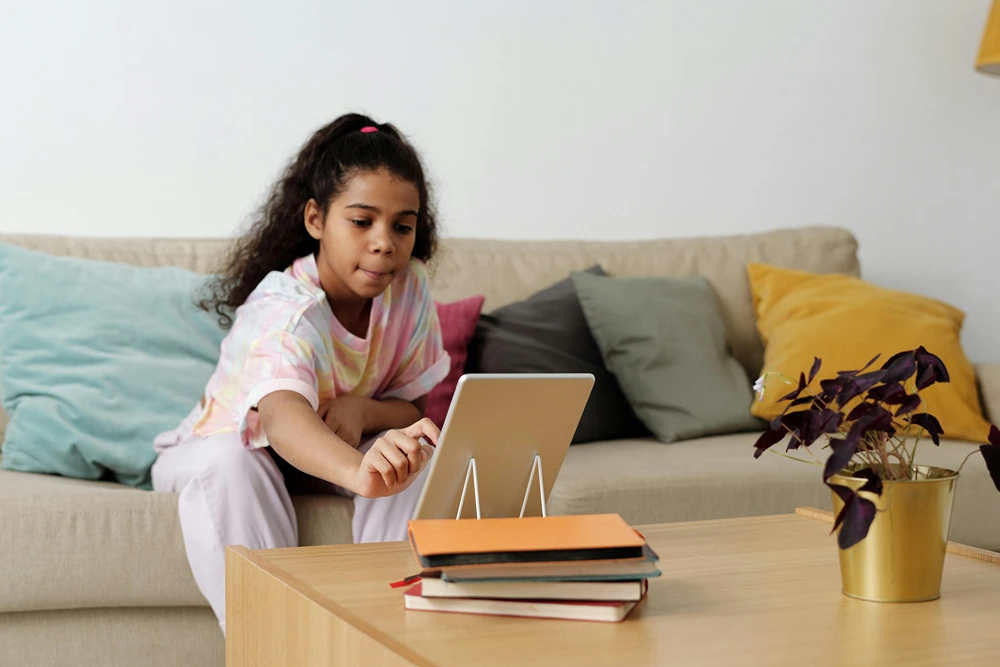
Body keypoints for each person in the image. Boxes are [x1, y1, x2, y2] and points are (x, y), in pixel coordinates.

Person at [151, 113, 450, 633]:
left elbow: (413, 408)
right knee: (230, 462)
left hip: (318, 459)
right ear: (316, 219)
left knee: (408, 453)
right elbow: (284, 417)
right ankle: (275, 642)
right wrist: (359, 472)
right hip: (228, 451)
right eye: (362, 222)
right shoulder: (284, 308)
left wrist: (366, 411)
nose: (385, 242)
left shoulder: (410, 288)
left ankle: (391, 633)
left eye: (403, 225)